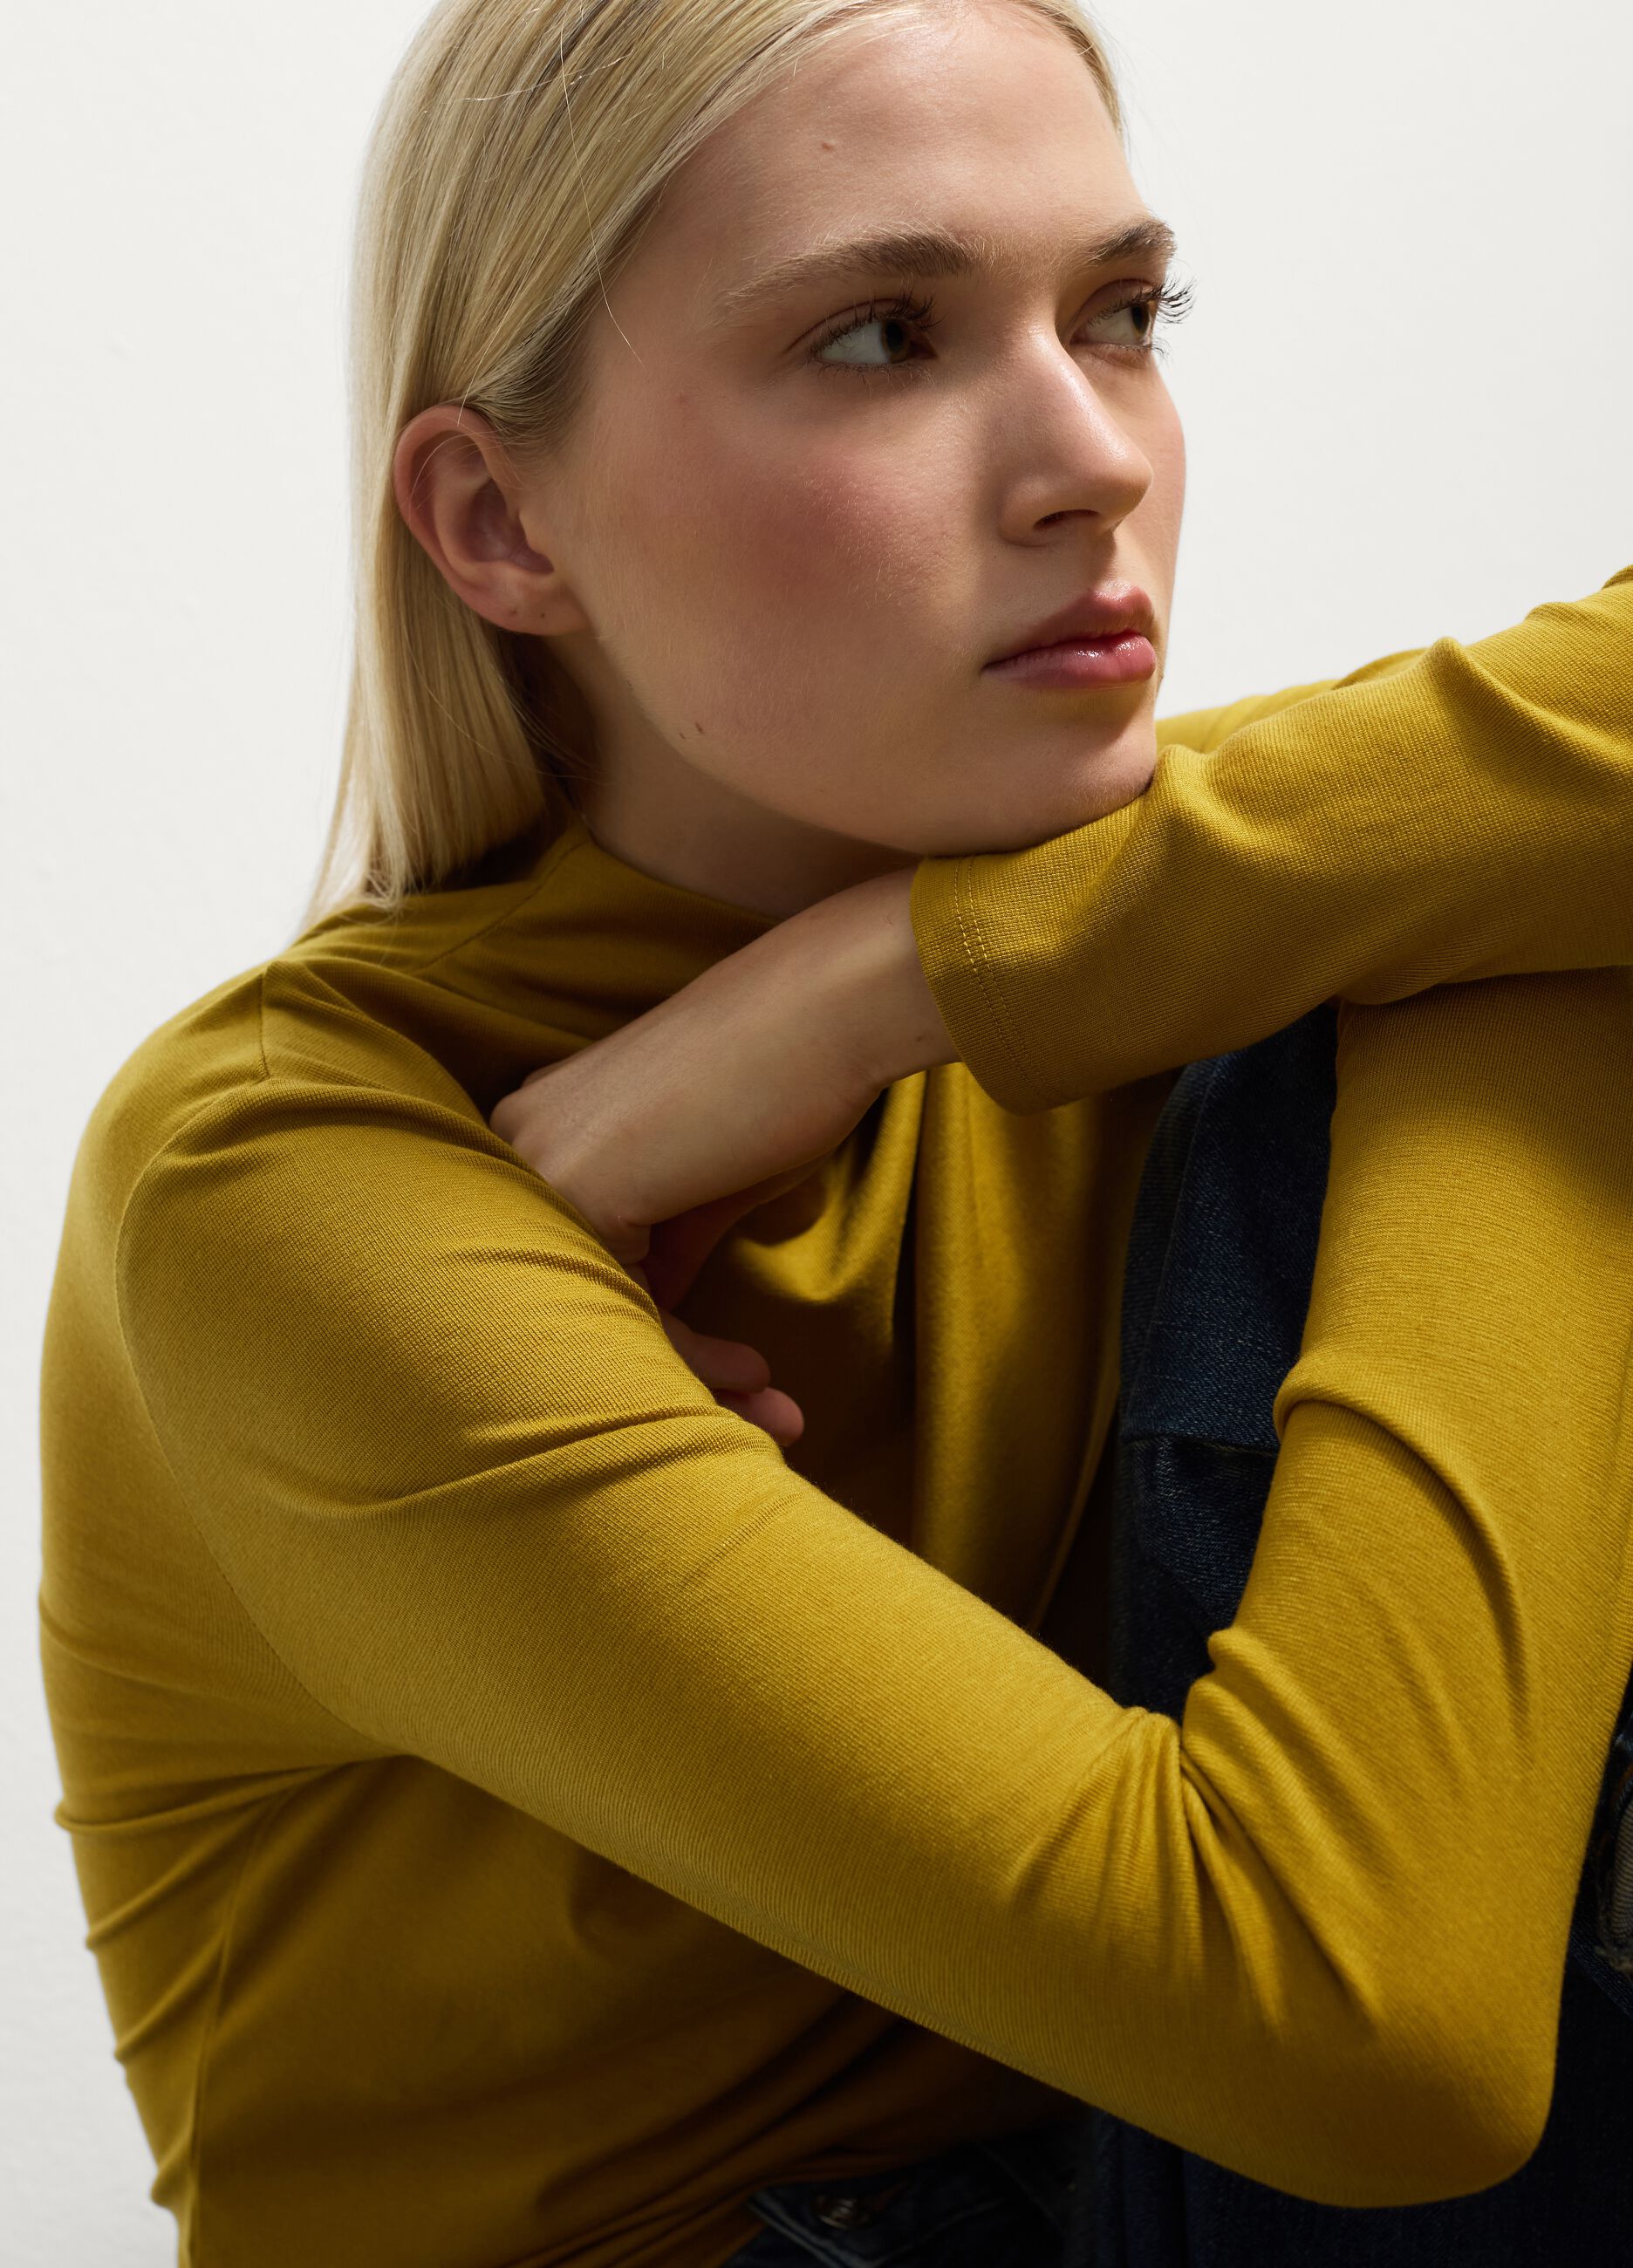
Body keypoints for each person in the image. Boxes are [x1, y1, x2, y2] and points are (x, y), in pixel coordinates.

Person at [38, 3, 1632, 2265]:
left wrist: (906, 978)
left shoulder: (1148, 911)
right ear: (499, 521)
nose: (1090, 458)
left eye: (1125, 314)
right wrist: (1511, 934)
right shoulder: (289, 1181)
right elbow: (1363, 2031)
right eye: (882, 336)